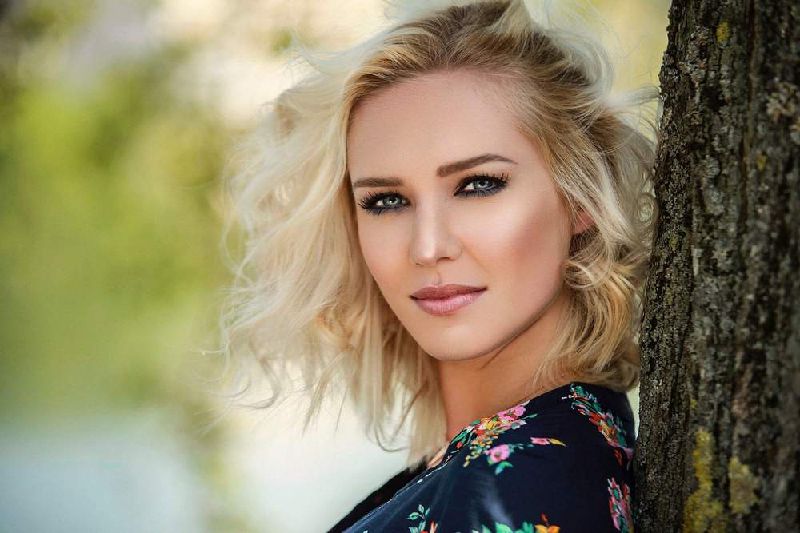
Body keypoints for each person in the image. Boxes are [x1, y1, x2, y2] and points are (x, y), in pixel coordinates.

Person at [219, 0, 658, 531]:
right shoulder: (533, 452)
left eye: (478, 185)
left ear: (581, 195)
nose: (427, 248)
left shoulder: (512, 485)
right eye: (386, 201)